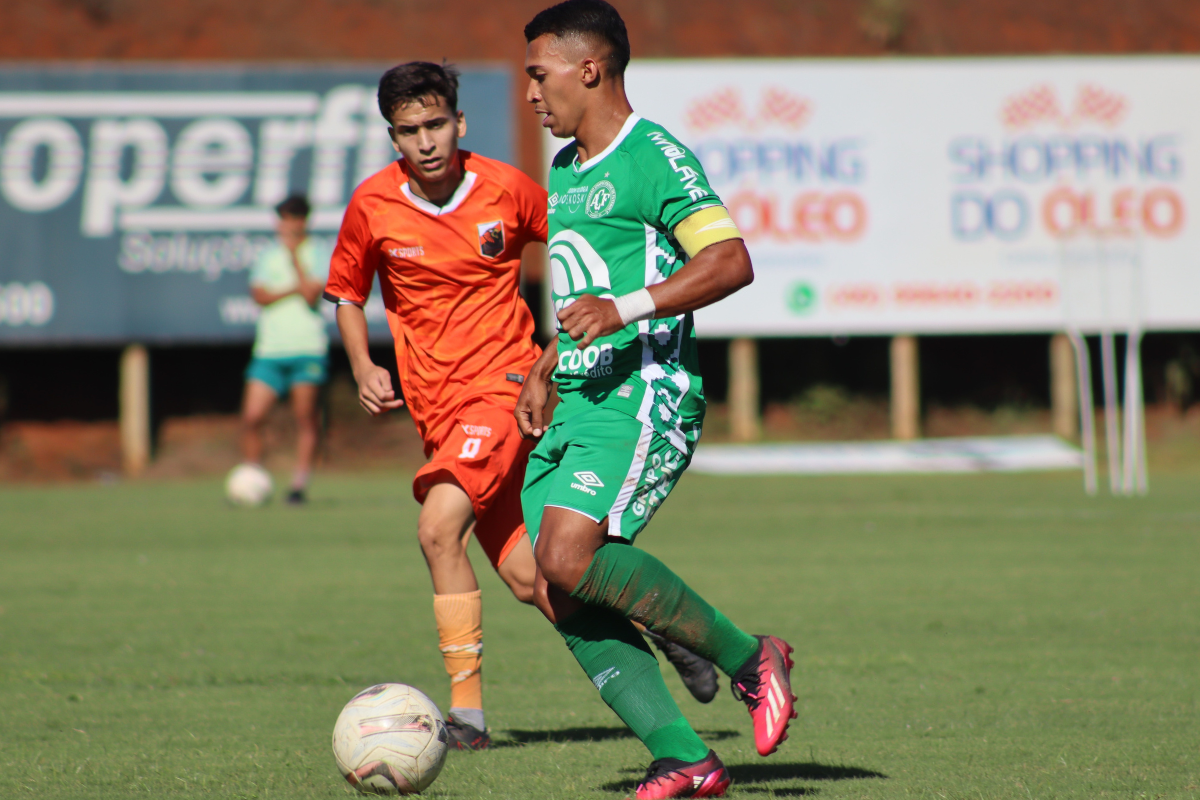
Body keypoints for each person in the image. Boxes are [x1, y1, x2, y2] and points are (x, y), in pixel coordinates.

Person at [324, 61, 719, 752]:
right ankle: (665, 629)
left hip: (502, 392)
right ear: (393, 137)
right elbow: (346, 293)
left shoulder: (507, 188)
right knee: (535, 581)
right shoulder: (373, 205)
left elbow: (579, 238)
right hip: (439, 416)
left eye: (437, 124)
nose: (426, 142)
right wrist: (362, 364)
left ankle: (467, 720)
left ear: (460, 122)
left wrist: (569, 345)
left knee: (437, 528)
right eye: (410, 131)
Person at [516, 2, 797, 797]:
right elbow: (586, 291)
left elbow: (731, 261)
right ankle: (685, 757)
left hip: (645, 392)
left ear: (590, 69)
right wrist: (546, 362)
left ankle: (749, 657)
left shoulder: (654, 155)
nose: (532, 92)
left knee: (569, 556)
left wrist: (626, 310)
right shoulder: (566, 169)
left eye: (540, 74)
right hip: (577, 397)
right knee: (552, 586)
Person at [239, 194, 330, 505]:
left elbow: (310, 295)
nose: (288, 225)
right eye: (284, 218)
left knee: (304, 416)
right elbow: (259, 295)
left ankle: (298, 484)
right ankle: (252, 476)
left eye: (294, 218)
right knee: (252, 416)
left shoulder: (317, 253)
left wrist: (294, 260)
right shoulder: (267, 256)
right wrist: (290, 287)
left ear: (304, 221)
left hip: (307, 347)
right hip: (270, 349)